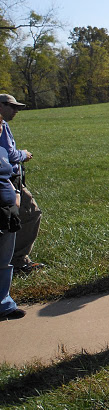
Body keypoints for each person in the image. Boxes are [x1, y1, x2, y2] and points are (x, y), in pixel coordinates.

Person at [0, 94, 43, 275]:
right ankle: (18, 260)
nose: (16, 110)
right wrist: (24, 154)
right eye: (12, 106)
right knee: (31, 214)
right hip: (7, 181)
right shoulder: (1, 126)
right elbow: (8, 155)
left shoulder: (4, 125)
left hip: (10, 179)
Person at [0, 118, 24, 321]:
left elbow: (8, 173)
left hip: (7, 210)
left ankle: (4, 304)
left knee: (4, 261)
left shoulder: (1, 151)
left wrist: (15, 192)